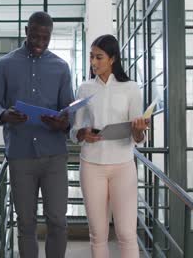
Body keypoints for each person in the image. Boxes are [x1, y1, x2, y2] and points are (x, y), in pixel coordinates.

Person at [0, 11, 74, 258]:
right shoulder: (5, 64)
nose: (40, 42)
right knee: (25, 223)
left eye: (45, 38)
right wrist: (4, 115)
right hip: (20, 155)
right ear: (26, 31)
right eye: (36, 36)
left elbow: (68, 110)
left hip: (54, 155)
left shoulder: (61, 67)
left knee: (57, 220)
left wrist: (62, 123)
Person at [70, 34, 148, 258]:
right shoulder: (84, 88)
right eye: (92, 57)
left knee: (126, 233)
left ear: (112, 58)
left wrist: (139, 128)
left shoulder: (131, 88)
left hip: (123, 166)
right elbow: (74, 131)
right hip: (91, 166)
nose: (93, 62)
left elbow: (138, 136)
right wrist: (83, 133)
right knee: (98, 234)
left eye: (99, 57)